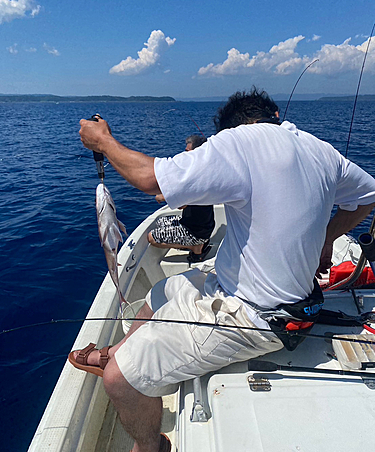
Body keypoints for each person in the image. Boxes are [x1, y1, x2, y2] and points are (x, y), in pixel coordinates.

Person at [71, 87, 375, 452]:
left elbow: (149, 179)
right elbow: (368, 196)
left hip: (257, 317)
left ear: (231, 127)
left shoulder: (235, 141)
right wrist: (328, 237)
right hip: (241, 287)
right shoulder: (320, 148)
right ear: (275, 116)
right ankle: (121, 348)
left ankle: (151, 445)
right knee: (157, 293)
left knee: (119, 381)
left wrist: (103, 141)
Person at [147, 134, 215, 263]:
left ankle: (195, 246)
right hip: (202, 225)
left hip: (196, 232)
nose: (185, 155)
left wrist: (163, 196)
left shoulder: (194, 178)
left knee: (152, 237)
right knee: (160, 221)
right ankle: (200, 242)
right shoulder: (205, 172)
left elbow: (181, 205)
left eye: (188, 152)